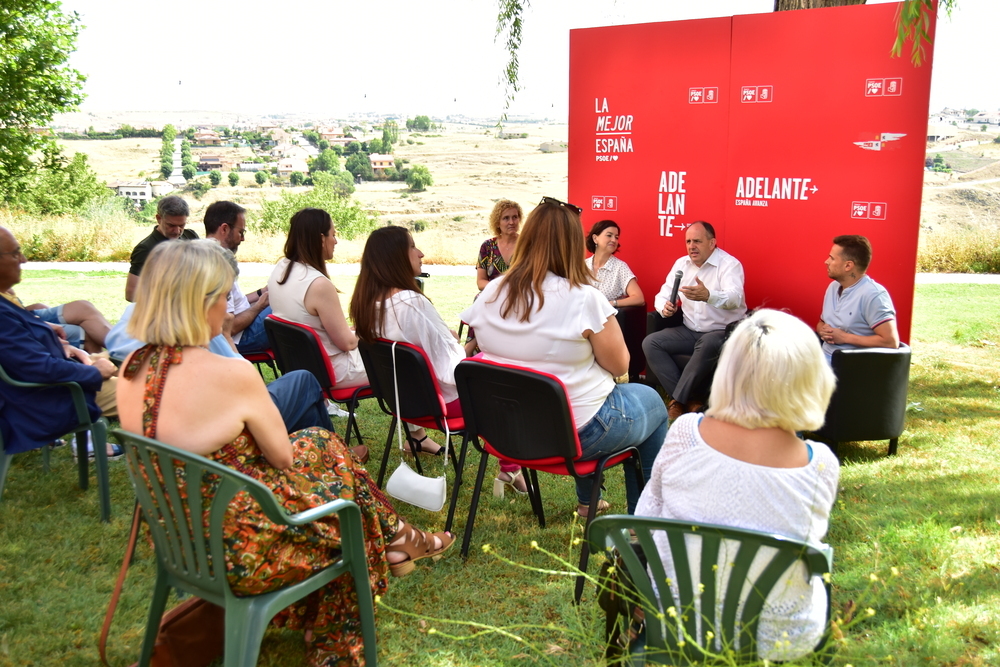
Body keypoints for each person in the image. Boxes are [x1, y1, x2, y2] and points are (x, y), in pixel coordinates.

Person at [116, 239, 454, 667]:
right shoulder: (229, 373)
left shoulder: (132, 371)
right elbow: (280, 458)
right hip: (244, 548)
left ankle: (403, 538)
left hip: (180, 538)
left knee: (322, 443)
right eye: (222, 297)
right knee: (348, 511)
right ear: (198, 303)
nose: (227, 311)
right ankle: (353, 620)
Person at [635, 309, 839, 662]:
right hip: (776, 634)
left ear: (727, 371)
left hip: (675, 616)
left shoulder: (684, 433)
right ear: (810, 377)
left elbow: (646, 517)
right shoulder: (819, 464)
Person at [461, 197, 668, 516]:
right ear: (574, 244)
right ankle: (642, 520)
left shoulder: (491, 292)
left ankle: (589, 503)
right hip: (575, 435)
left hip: (505, 429)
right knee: (651, 402)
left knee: (590, 398)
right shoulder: (585, 298)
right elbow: (620, 366)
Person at [348, 227, 487, 478]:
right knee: (501, 375)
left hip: (401, 401)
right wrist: (469, 347)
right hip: (444, 404)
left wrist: (443, 339)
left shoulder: (366, 305)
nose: (420, 253)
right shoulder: (411, 302)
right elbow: (452, 368)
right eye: (413, 246)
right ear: (396, 256)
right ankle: (512, 471)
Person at [0, 226, 119, 457]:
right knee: (152, 389)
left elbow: (23, 352)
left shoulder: (5, 300)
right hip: (55, 397)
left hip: (57, 383)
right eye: (15, 253)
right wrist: (94, 373)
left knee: (130, 363)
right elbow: (39, 368)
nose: (23, 259)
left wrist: (53, 338)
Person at [642, 221, 746, 420]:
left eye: (697, 241)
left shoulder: (729, 265)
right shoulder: (681, 264)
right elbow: (661, 295)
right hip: (689, 330)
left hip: (722, 332)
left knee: (707, 343)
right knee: (651, 342)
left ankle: (678, 401)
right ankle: (690, 401)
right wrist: (664, 308)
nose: (691, 246)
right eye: (688, 241)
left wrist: (709, 296)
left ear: (712, 243)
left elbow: (736, 298)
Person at [267, 208, 367, 390]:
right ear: (321, 239)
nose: (335, 241)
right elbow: (348, 343)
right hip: (332, 370)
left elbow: (311, 326)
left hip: (302, 365)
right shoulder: (318, 284)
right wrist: (370, 332)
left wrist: (352, 330)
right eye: (333, 235)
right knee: (399, 359)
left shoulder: (281, 269)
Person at [817, 234, 899, 362]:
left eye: (832, 258)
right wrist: (822, 330)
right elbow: (822, 322)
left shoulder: (874, 295)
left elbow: (890, 342)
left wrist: (844, 338)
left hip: (852, 368)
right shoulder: (833, 287)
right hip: (823, 359)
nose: (826, 262)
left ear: (848, 266)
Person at [203, 200, 271, 354]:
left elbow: (233, 304)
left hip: (227, 336)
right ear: (225, 229)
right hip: (237, 339)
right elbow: (229, 327)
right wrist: (260, 306)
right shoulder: (219, 262)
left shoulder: (202, 253)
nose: (242, 239)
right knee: (287, 305)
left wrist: (262, 293)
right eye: (241, 232)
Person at [125, 195, 197, 302]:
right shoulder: (146, 249)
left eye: (182, 225)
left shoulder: (191, 236)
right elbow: (131, 294)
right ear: (159, 219)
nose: (177, 231)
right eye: (171, 225)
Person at [1, 290, 111, 354]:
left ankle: (123, 349)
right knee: (82, 332)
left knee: (82, 307)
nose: (22, 259)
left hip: (22, 315)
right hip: (17, 323)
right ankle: (121, 357)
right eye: (15, 254)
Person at [584, 220, 645, 308]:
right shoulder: (582, 266)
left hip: (607, 319)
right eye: (609, 235)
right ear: (595, 238)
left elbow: (639, 298)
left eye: (616, 237)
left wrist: (612, 303)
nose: (613, 240)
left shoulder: (620, 267)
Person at [476, 199, 523, 291]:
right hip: (493, 294)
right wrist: (500, 289)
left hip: (520, 295)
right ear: (497, 223)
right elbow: (481, 282)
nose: (511, 222)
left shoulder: (527, 245)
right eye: (506, 218)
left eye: (515, 217)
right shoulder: (487, 246)